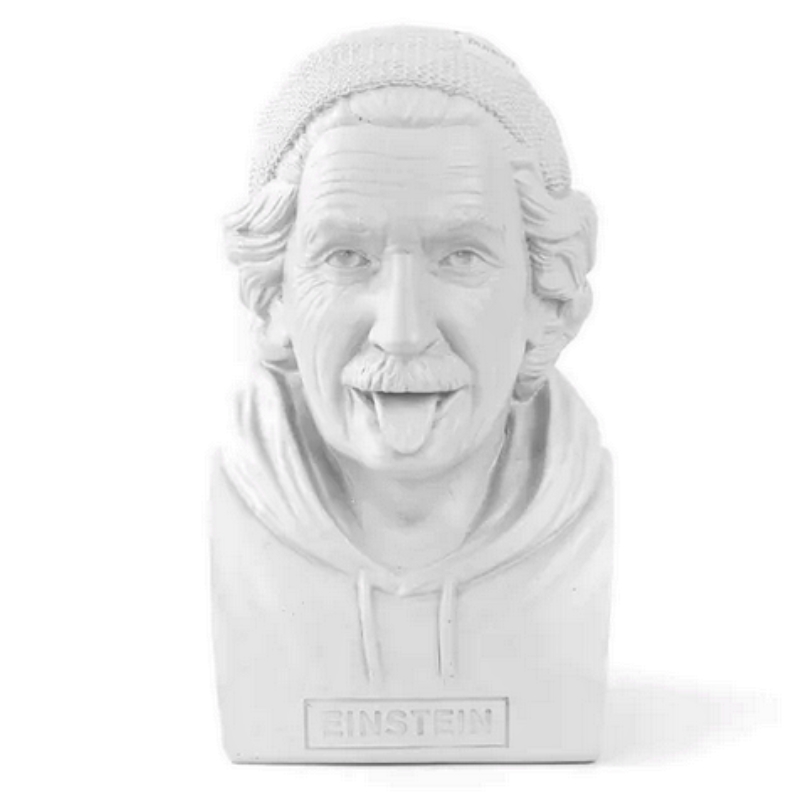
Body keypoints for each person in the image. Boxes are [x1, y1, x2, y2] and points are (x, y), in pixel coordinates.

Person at [212, 26, 613, 763]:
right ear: (273, 296)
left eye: (461, 256)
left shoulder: (580, 505)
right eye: (345, 256)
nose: (402, 331)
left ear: (544, 293)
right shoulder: (240, 505)